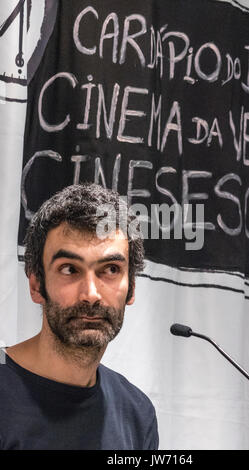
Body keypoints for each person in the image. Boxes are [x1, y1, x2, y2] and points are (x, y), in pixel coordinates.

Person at [0, 183, 159, 450]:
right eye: (69, 269)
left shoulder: (137, 414)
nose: (91, 294)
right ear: (37, 285)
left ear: (131, 288)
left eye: (110, 269)